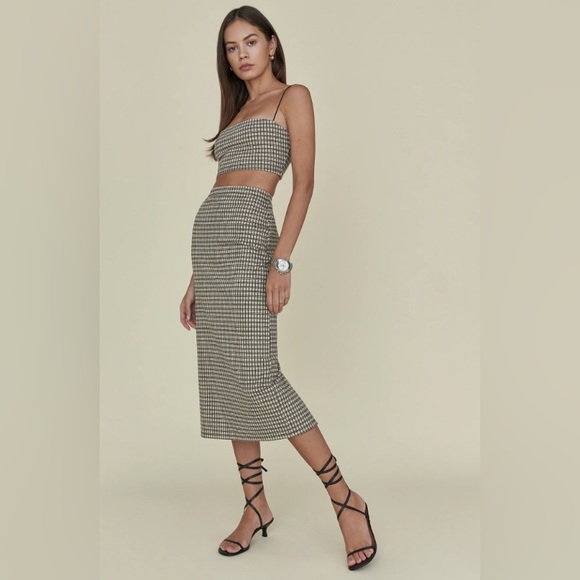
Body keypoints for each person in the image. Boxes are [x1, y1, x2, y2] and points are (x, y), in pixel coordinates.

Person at [179, 5, 377, 571]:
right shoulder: (237, 111)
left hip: (252, 241)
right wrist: (195, 278)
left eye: (250, 42)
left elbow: (304, 184)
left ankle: (346, 499)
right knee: (227, 379)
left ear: (271, 44)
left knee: (258, 375)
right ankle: (255, 505)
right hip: (211, 246)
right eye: (231, 47)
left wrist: (281, 261)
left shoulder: (293, 97)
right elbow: (221, 186)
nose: (241, 54)